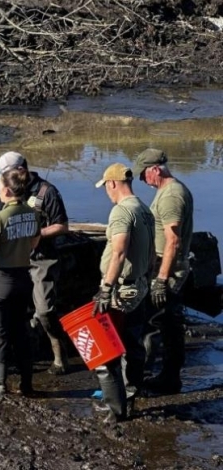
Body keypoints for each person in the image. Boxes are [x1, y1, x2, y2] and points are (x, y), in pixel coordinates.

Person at [0, 151, 71, 374]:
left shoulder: (47, 192)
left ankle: (60, 356)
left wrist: (35, 234)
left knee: (45, 310)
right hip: (16, 259)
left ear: (21, 171)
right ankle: (23, 352)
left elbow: (62, 225)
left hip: (42, 259)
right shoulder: (7, 190)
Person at [92, 163, 155, 423]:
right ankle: (131, 393)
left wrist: (105, 289)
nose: (106, 191)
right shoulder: (144, 209)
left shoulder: (121, 212)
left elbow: (118, 252)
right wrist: (148, 279)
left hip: (120, 290)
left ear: (113, 184)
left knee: (106, 352)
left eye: (106, 186)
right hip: (139, 285)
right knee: (133, 343)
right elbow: (152, 251)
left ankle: (115, 410)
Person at [0, 166, 40, 395]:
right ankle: (27, 384)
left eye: (0, 185)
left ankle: (0, 383)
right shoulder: (33, 213)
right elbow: (34, 243)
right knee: (21, 332)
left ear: (6, 190)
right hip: (23, 279)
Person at [134, 148, 194, 395]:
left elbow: (173, 240)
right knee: (169, 325)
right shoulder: (169, 191)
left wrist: (160, 279)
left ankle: (146, 379)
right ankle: (169, 377)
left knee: (155, 324)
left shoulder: (171, 195)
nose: (143, 181)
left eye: (144, 175)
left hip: (166, 268)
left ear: (155, 169)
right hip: (165, 265)